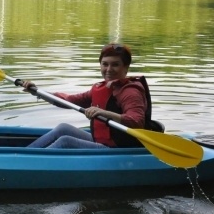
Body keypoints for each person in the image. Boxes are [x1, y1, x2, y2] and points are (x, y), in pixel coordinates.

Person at [22, 43, 155, 149]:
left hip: (119, 149)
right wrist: (37, 92)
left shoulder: (130, 91)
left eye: (115, 64)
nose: (109, 69)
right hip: (101, 141)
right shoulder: (100, 88)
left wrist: (104, 113)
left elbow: (136, 121)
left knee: (66, 141)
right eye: (105, 64)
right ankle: (23, 156)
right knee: (63, 128)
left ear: (126, 68)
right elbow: (69, 101)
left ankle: (26, 165)